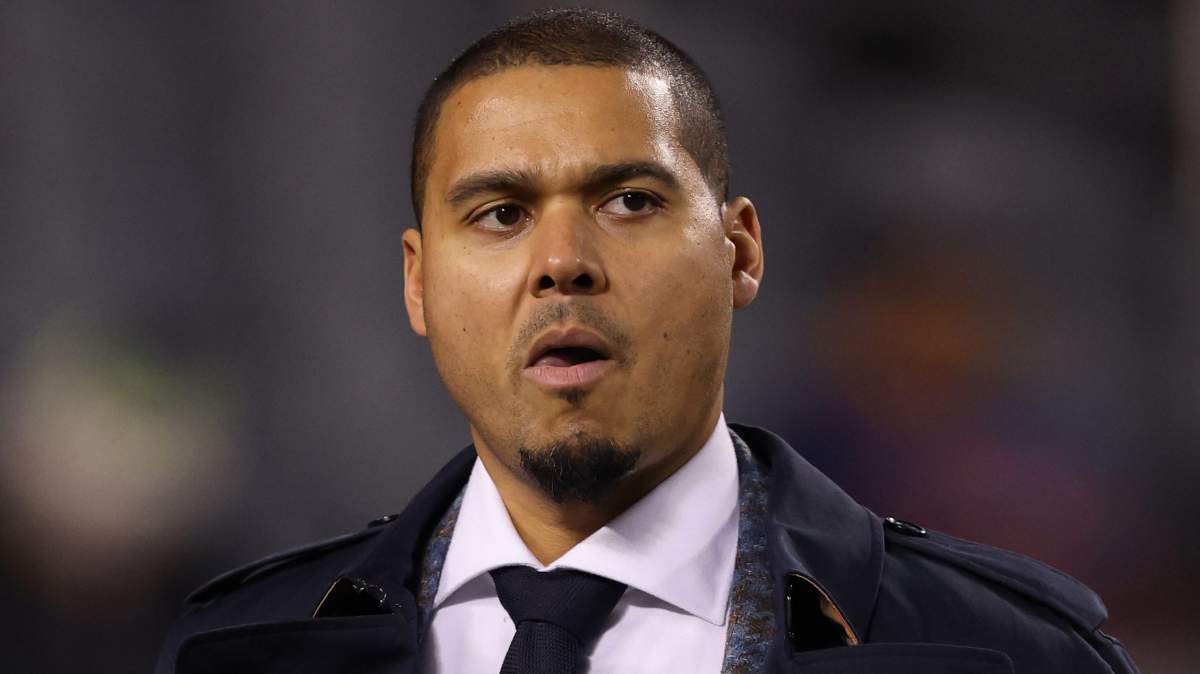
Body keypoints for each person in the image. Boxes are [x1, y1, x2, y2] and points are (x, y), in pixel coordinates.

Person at [155, 9, 1138, 674]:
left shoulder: (1012, 652)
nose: (562, 262)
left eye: (628, 200)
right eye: (500, 213)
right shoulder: (236, 648)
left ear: (739, 251)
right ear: (418, 281)